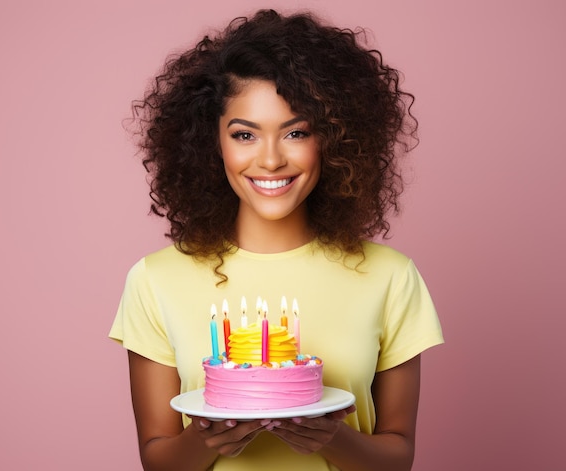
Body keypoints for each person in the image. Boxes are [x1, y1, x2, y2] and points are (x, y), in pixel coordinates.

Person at [109, 9, 443, 471]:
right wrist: (212, 439)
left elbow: (398, 455)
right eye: (245, 134)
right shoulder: (155, 281)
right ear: (212, 143)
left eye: (296, 132)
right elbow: (158, 460)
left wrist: (331, 438)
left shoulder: (390, 277)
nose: (269, 160)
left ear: (334, 139)